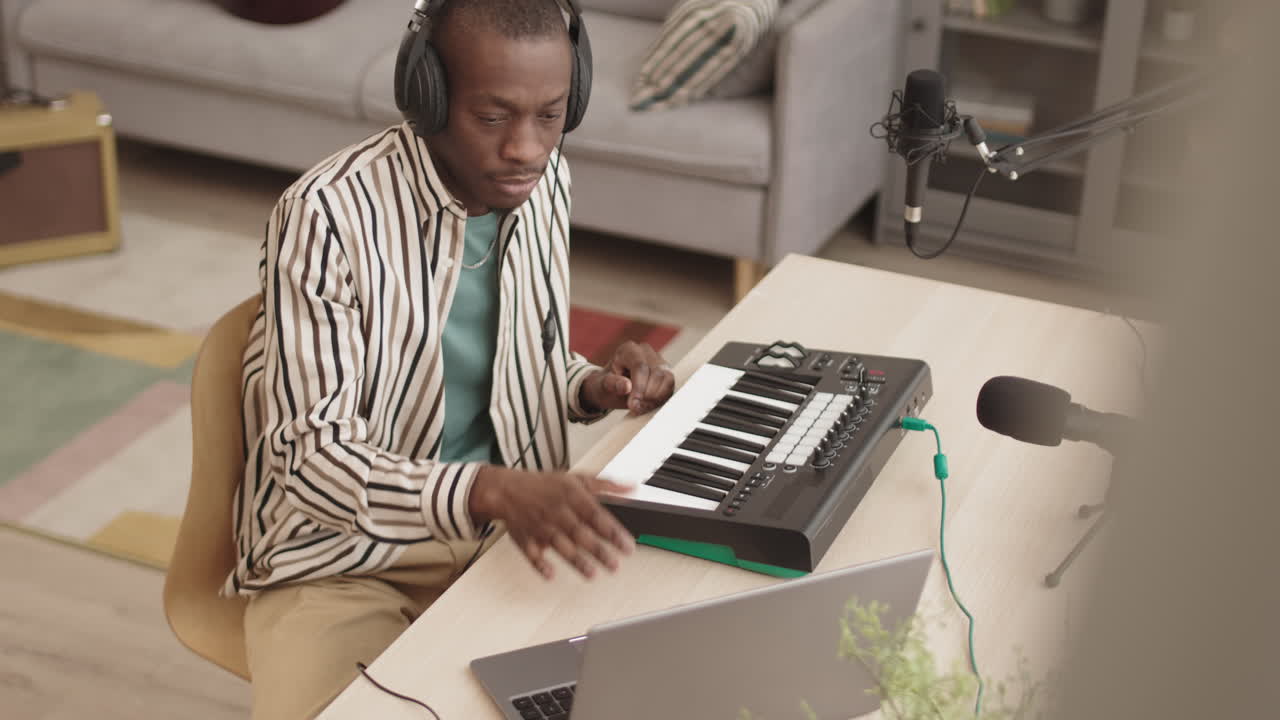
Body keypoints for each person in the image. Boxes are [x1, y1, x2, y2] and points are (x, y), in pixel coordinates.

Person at [224, 1, 676, 716]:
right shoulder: (327, 216)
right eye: (493, 118)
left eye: (550, 116)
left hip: (509, 535)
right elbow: (311, 459)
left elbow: (521, 362)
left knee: (655, 680)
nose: (526, 148)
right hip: (343, 562)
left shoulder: (545, 182)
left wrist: (594, 386)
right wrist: (487, 489)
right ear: (427, 95)